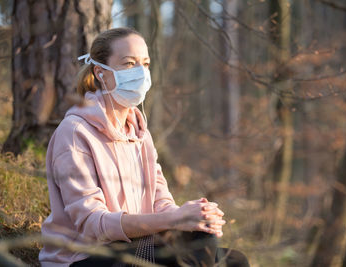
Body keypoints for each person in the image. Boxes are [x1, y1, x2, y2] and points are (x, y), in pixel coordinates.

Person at [39, 27, 249, 267]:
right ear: (100, 73)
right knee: (189, 259)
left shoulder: (140, 134)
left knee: (230, 258)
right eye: (129, 64)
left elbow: (162, 204)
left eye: (145, 64)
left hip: (135, 245)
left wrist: (194, 218)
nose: (140, 72)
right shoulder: (75, 133)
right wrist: (174, 218)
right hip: (85, 256)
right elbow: (93, 225)